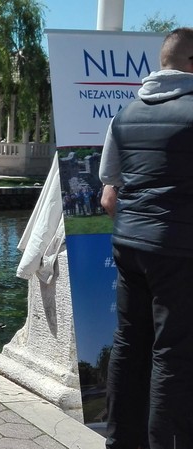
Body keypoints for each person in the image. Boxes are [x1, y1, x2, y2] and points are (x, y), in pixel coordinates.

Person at [99, 27, 193, 449]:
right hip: (178, 249)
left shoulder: (125, 114)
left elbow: (108, 194)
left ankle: (120, 441)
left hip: (129, 244)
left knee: (128, 342)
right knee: (174, 354)